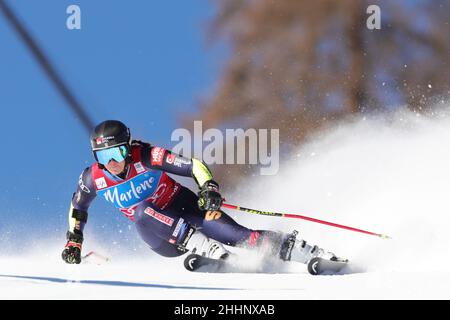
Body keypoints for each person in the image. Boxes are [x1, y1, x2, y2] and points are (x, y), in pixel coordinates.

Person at [62, 120, 338, 267]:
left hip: (186, 207)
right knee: (141, 211)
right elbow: (78, 206)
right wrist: (74, 241)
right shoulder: (93, 178)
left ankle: (305, 252)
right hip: (162, 238)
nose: (112, 162)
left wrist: (209, 188)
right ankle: (205, 248)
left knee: (240, 236)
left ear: (128, 146)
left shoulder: (145, 156)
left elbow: (193, 165)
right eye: (104, 155)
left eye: (117, 152)